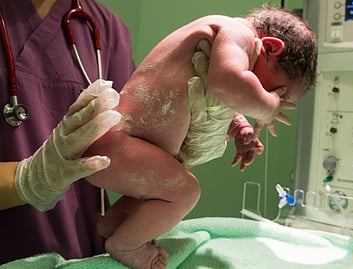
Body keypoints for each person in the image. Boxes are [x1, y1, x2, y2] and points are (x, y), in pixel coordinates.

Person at [84, 6, 318, 269]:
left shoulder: (219, 54)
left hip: (131, 149)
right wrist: (268, 106)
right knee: (185, 192)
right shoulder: (236, 31)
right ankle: (127, 245)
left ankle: (117, 224)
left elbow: (209, 100)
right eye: (275, 91)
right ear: (270, 48)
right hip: (121, 142)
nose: (267, 98)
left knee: (165, 188)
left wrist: (239, 126)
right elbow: (228, 82)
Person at [0, 0, 135, 264]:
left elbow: (138, 140)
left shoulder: (105, 28)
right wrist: (27, 179)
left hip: (80, 256)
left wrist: (201, 120)